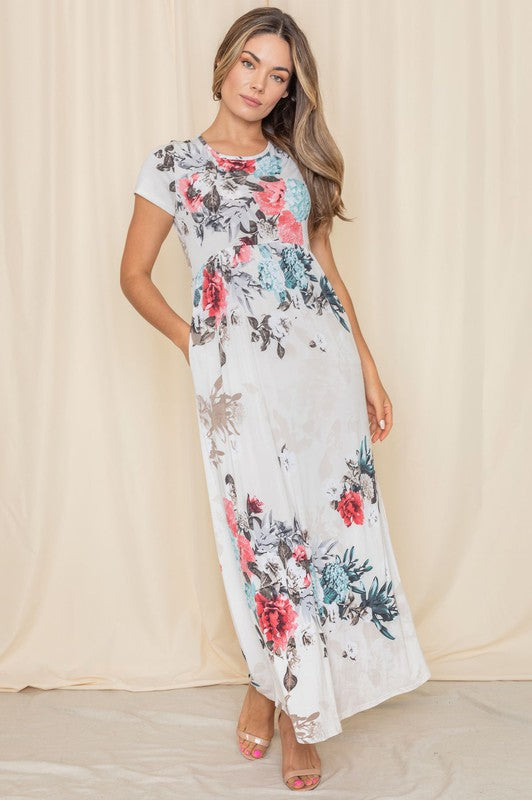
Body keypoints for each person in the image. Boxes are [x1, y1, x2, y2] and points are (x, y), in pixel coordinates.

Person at [120, 6, 431, 792]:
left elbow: (325, 273)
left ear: (291, 89)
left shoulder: (293, 167)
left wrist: (366, 365)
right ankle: (286, 695)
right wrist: (198, 346)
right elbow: (133, 276)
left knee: (326, 534)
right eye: (251, 64)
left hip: (319, 379)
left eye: (279, 74)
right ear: (225, 63)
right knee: (267, 538)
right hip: (238, 387)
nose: (261, 83)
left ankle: (286, 704)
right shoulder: (172, 165)